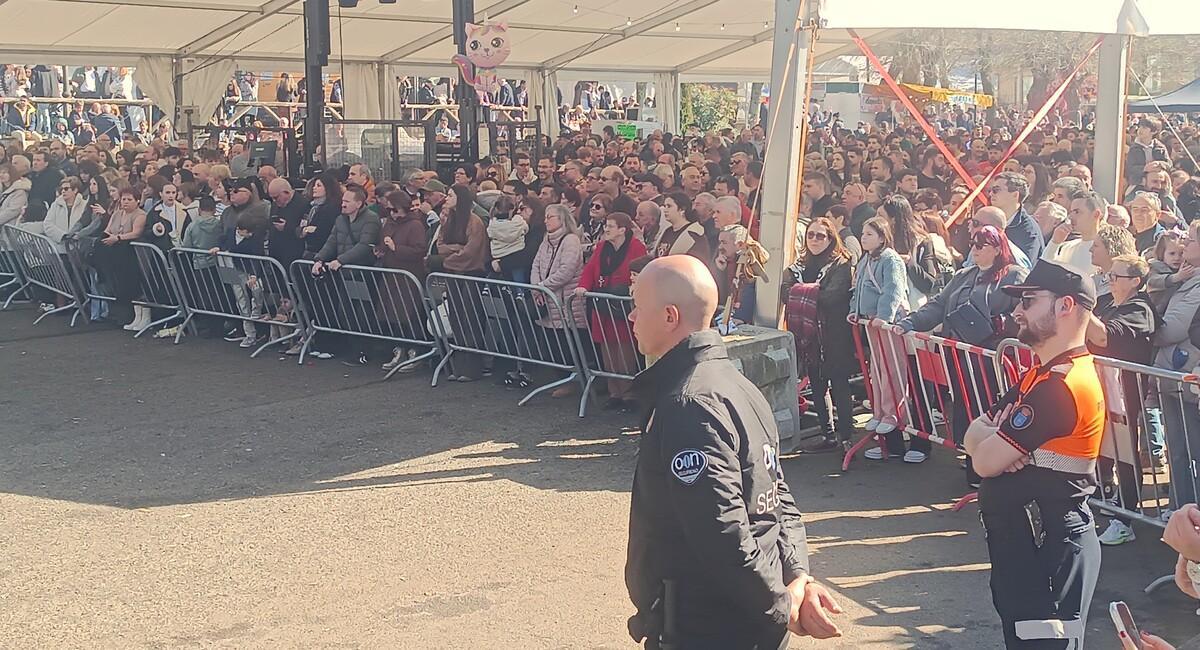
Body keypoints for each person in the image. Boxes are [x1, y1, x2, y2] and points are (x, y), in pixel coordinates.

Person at [625, 254, 842, 650]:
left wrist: (783, 601)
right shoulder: (738, 386)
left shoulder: (690, 403)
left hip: (709, 624)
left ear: (670, 316)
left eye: (637, 307)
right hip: (746, 613)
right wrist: (796, 580)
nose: (632, 318)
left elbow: (720, 529)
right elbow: (778, 497)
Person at [965, 259, 1104, 650]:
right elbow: (973, 437)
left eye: (1029, 301)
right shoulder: (1039, 374)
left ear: (1066, 306)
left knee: (1042, 643)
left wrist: (992, 443)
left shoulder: (1061, 385)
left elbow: (983, 462)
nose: (1017, 311)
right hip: (1030, 542)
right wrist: (990, 439)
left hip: (1050, 545)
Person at [899, 225, 1026, 473]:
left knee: (988, 409)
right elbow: (938, 305)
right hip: (958, 354)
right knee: (964, 406)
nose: (975, 249)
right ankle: (971, 459)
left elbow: (1026, 312)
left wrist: (1002, 323)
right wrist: (911, 322)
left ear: (998, 248)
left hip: (991, 358)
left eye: (981, 245)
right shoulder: (963, 275)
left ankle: (988, 466)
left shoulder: (1015, 275)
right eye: (973, 244)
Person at [1085, 254, 1157, 546]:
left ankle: (1126, 518)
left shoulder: (1140, 308)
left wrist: (1078, 308)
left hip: (1124, 391)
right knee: (1102, 447)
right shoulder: (1105, 303)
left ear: (1135, 282)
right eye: (1109, 275)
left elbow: (1106, 337)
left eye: (1115, 277)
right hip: (1098, 386)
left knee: (1126, 453)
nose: (1109, 281)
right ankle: (1107, 494)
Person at [785, 217, 856, 452]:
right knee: (817, 384)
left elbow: (833, 297)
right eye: (811, 235)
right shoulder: (799, 264)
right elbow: (784, 291)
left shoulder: (841, 264)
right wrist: (810, 292)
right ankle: (829, 435)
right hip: (809, 336)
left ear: (831, 238)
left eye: (820, 236)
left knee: (839, 384)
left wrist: (801, 291)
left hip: (835, 334)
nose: (814, 240)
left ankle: (846, 437)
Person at [574, 211, 647, 411]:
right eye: (606, 225)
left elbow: (641, 271)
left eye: (611, 226)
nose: (606, 229)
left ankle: (629, 393)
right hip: (602, 302)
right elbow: (590, 269)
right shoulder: (602, 247)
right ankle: (614, 391)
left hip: (622, 305)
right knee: (606, 347)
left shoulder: (636, 248)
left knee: (624, 348)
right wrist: (583, 286)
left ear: (622, 230)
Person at [853, 217, 911, 454]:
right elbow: (857, 289)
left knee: (891, 370)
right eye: (863, 233)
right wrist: (853, 312)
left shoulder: (890, 259)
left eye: (869, 234)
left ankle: (893, 413)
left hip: (887, 324)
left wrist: (885, 316)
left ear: (881, 236)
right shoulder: (865, 259)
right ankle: (879, 411)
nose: (863, 238)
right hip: (870, 321)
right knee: (877, 369)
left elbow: (893, 289)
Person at [1154, 220, 1200, 510]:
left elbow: (1171, 330)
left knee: (1191, 451)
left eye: (1192, 238)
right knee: (1179, 451)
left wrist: (1144, 331)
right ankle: (1179, 510)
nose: (1184, 243)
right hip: (1172, 373)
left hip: (1186, 375)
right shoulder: (1184, 277)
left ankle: (1188, 513)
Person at [530, 204, 587, 397]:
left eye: (550, 217)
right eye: (545, 216)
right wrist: (536, 287)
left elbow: (567, 270)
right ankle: (562, 378)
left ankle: (573, 380)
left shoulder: (571, 240)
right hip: (548, 298)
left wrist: (543, 287)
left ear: (562, 219)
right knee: (553, 342)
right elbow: (536, 263)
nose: (546, 220)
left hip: (565, 301)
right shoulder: (546, 240)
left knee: (567, 342)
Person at [988, 171, 1045, 264]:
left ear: (1015, 195)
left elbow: (1023, 268)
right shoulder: (989, 220)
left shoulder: (1029, 231)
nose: (991, 194)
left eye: (996, 190)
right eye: (990, 190)